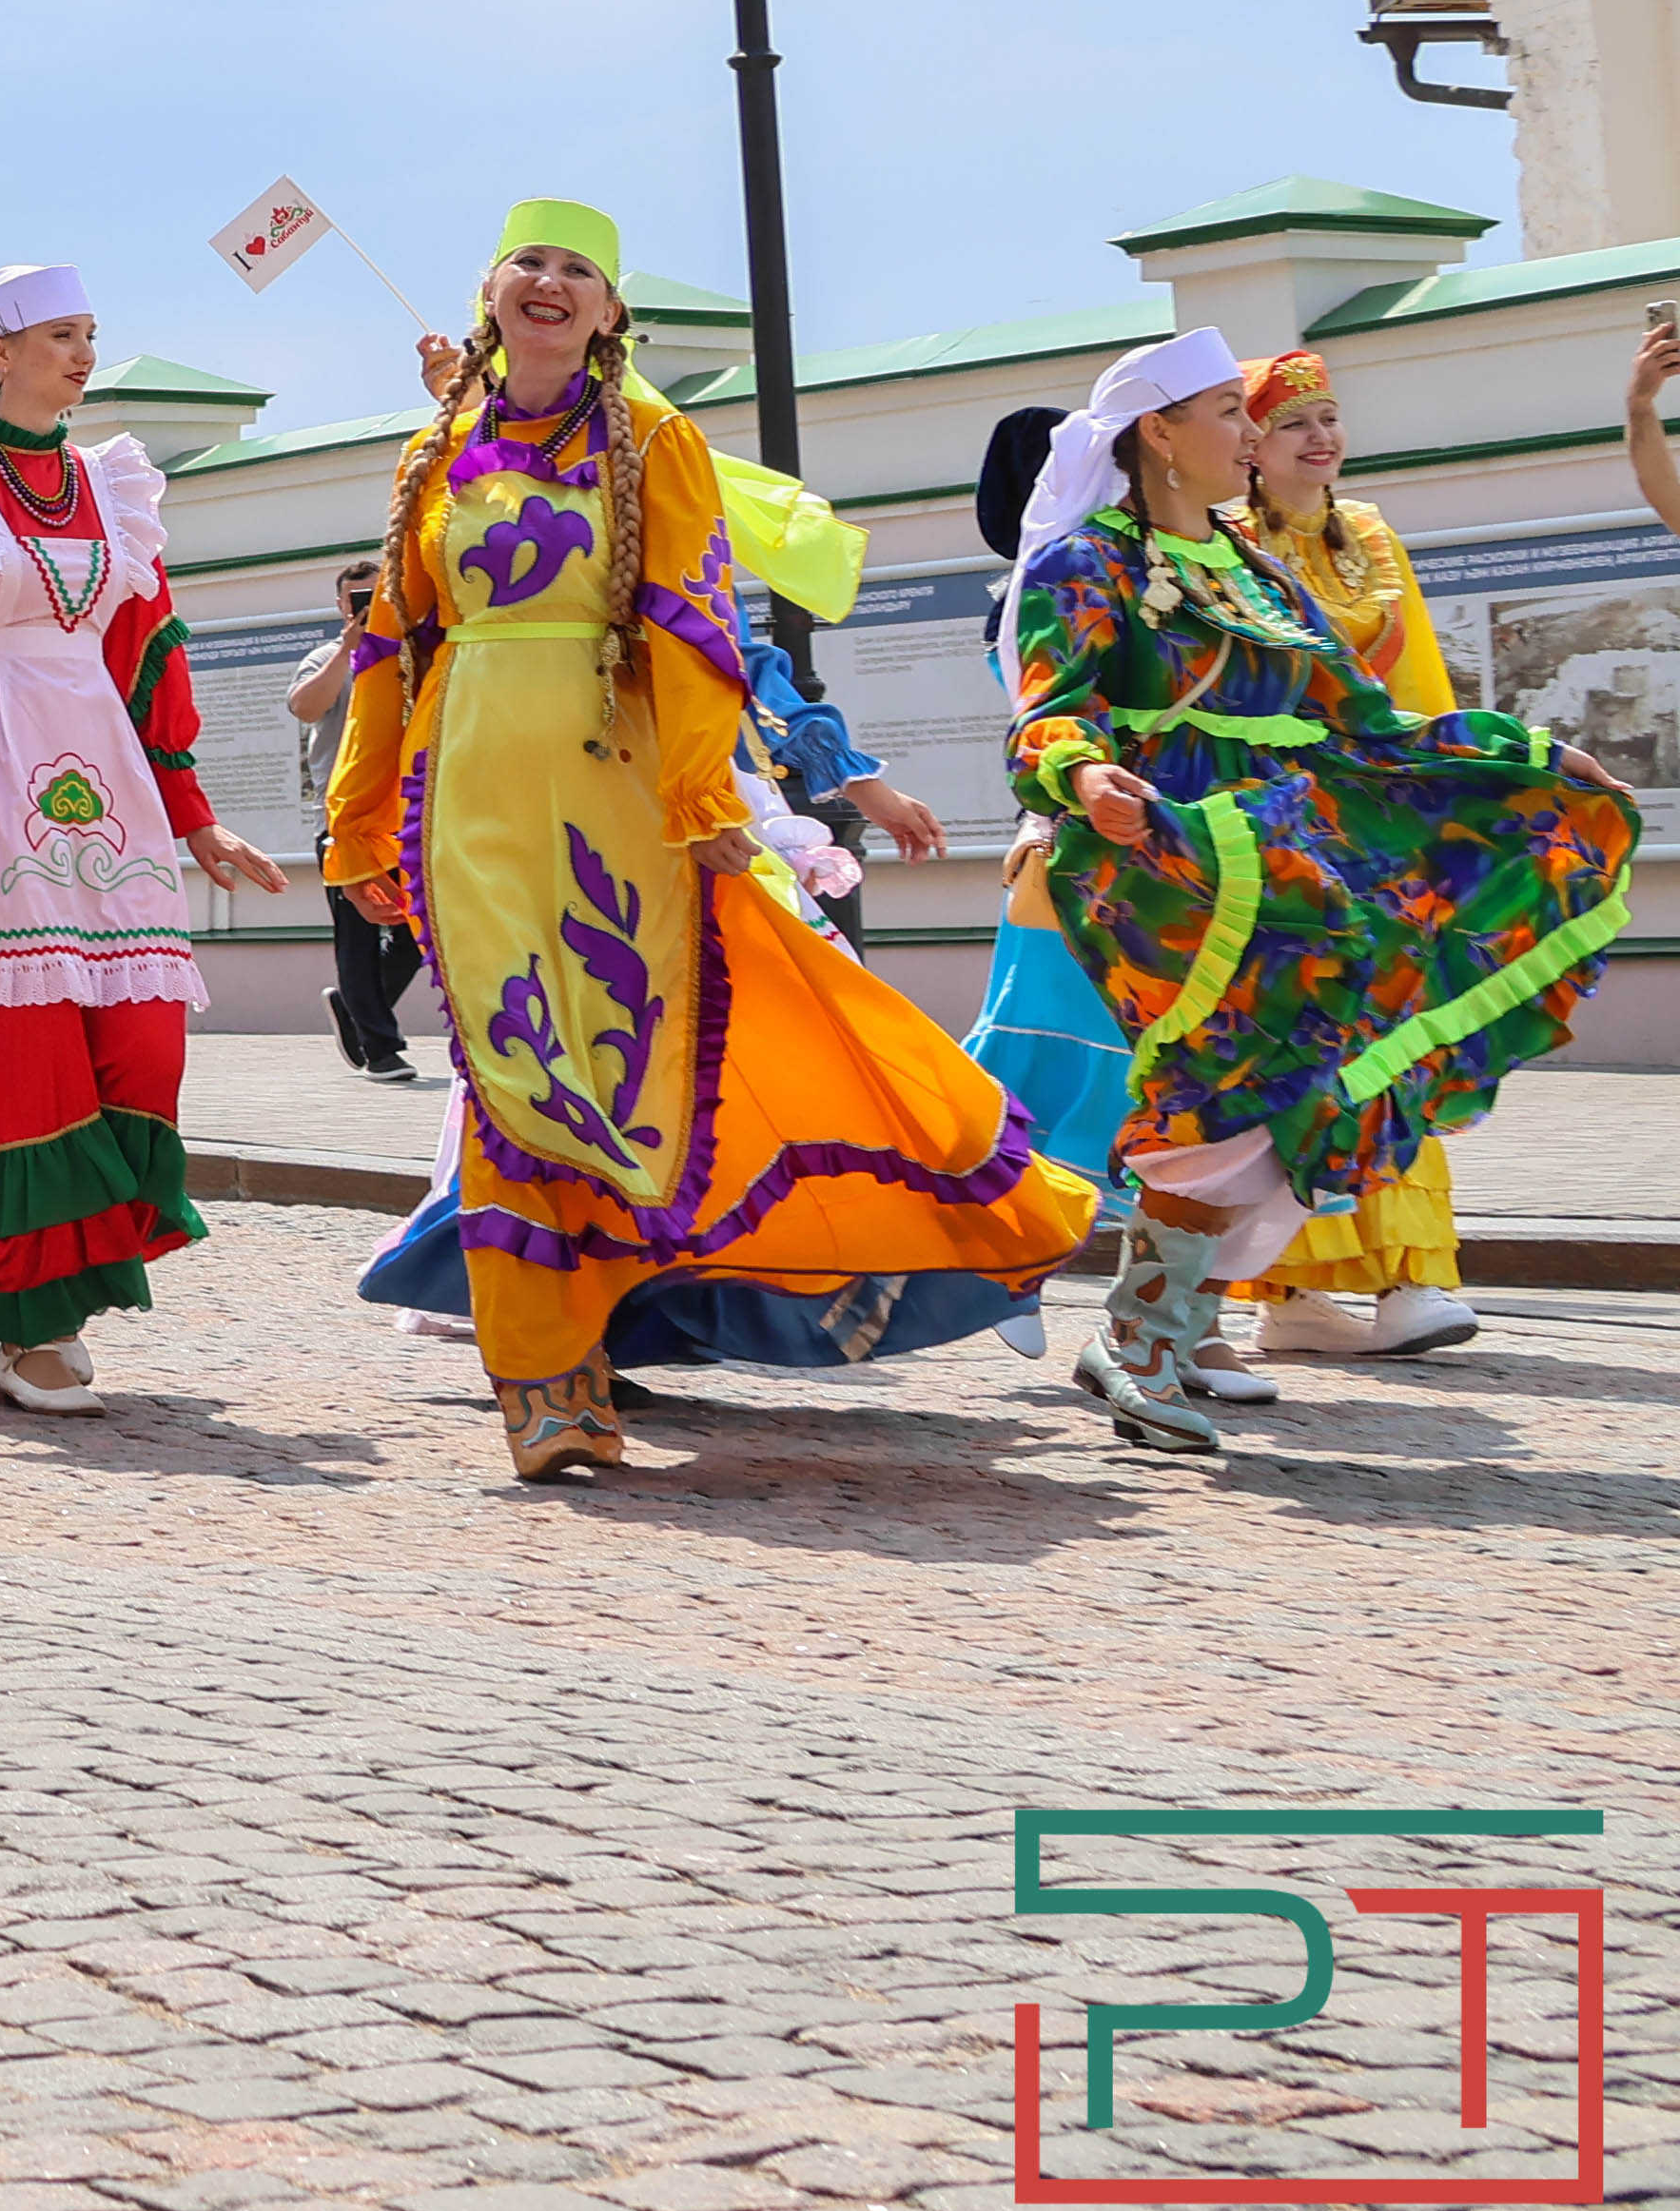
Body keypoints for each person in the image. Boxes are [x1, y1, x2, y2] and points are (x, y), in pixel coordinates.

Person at [317, 207, 1087, 1481]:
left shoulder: (657, 443)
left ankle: (631, 1324)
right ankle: (544, 1385)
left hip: (613, 795)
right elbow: (392, 648)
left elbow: (692, 631)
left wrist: (702, 803)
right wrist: (358, 819)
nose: (552, 283)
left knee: (626, 1073)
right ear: (491, 293)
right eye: (532, 262)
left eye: (581, 271)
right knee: (513, 1076)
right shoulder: (431, 452)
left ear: (612, 315)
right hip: (470, 800)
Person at [999, 326, 1635, 1453]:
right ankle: (1143, 1335)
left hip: (1293, 849)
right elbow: (1048, 709)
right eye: (1229, 414)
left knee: (1289, 1078)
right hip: (1169, 845)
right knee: (1219, 1074)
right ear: (1160, 430)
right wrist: (1083, 768)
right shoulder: (1085, 561)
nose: (1251, 436)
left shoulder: (1253, 565)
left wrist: (1522, 749)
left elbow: (1368, 719)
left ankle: (1177, 1327)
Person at [0, 266, 290, 1416]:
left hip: (103, 780)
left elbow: (147, 650)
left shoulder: (112, 483)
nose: (83, 353)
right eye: (61, 334)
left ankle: (66, 1275)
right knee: (21, 1047)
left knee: (139, 1039)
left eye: (89, 333)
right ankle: (33, 1315)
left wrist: (196, 812)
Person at [1219, 347, 1482, 1362]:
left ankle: (1410, 1273)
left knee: (1393, 1036)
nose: (1320, 436)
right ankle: (1290, 1286)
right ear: (1249, 443)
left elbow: (1416, 673)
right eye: (1295, 423)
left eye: (1328, 418)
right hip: (1284, 825)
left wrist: (1441, 796)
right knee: (1301, 1047)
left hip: (1377, 821)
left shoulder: (1369, 531)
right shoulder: (1222, 547)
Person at [290, 558, 425, 1083]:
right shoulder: (327, 657)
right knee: (358, 936)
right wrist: (349, 647)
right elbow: (304, 708)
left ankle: (355, 1011)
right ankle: (381, 1047)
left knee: (419, 929)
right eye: (358, 598)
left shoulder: (412, 654)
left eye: (378, 595)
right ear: (341, 606)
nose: (369, 606)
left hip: (409, 818)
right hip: (346, 819)